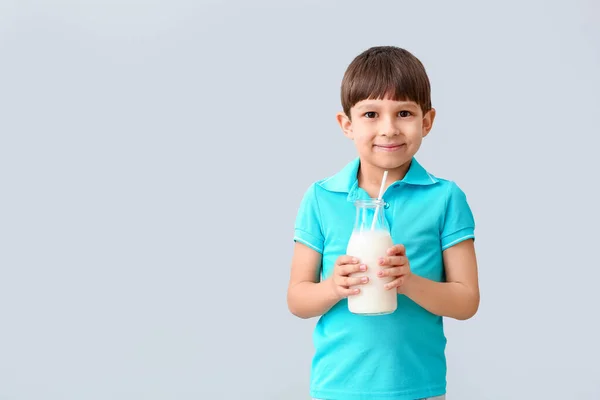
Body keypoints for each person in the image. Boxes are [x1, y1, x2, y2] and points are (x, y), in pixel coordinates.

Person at [286, 46, 480, 400]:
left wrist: (409, 282)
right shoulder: (321, 198)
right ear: (347, 124)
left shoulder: (445, 199)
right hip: (338, 387)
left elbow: (466, 301)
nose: (389, 129)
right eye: (371, 114)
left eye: (404, 112)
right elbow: (298, 299)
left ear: (427, 122)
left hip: (417, 387)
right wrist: (332, 287)